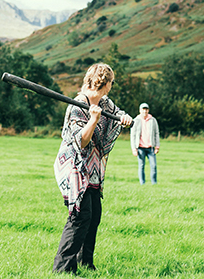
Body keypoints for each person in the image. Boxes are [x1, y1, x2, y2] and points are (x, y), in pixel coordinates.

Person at [52, 63, 133, 275]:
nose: (111, 87)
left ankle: (86, 262)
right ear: (105, 83)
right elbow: (81, 141)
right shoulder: (77, 105)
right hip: (75, 166)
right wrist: (93, 119)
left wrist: (125, 119)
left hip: (93, 168)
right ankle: (63, 268)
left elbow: (117, 114)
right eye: (111, 83)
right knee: (80, 215)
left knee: (94, 214)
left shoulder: (105, 103)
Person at [130, 102, 160, 185]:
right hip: (140, 147)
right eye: (143, 109)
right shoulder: (135, 120)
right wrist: (133, 149)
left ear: (148, 110)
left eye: (146, 109)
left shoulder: (153, 120)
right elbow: (132, 135)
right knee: (141, 166)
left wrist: (157, 146)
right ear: (140, 110)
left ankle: (154, 183)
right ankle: (142, 183)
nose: (145, 111)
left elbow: (156, 133)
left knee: (153, 166)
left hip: (150, 147)